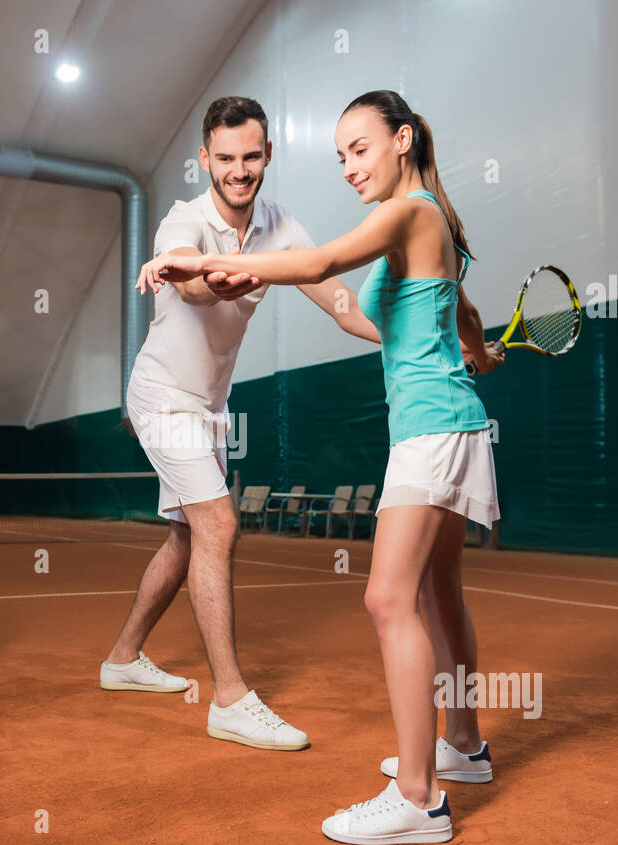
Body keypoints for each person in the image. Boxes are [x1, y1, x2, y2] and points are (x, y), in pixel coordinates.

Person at [136, 89, 504, 843]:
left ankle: (418, 798)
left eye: (360, 149)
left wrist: (217, 259)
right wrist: (478, 349)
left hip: (431, 432)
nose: (348, 167)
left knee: (385, 599)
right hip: (454, 423)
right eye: (340, 156)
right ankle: (462, 744)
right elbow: (450, 311)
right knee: (440, 594)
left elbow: (324, 261)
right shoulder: (434, 219)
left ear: (403, 140)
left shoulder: (407, 212)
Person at [102, 96, 382, 751]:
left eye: (250, 156)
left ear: (267, 156)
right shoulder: (184, 218)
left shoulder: (283, 227)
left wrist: (410, 342)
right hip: (161, 396)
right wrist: (196, 271)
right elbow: (194, 284)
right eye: (225, 158)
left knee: (185, 539)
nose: (239, 169)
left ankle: (122, 658)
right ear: (205, 159)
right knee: (219, 523)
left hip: (208, 409)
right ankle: (229, 698)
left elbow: (340, 303)